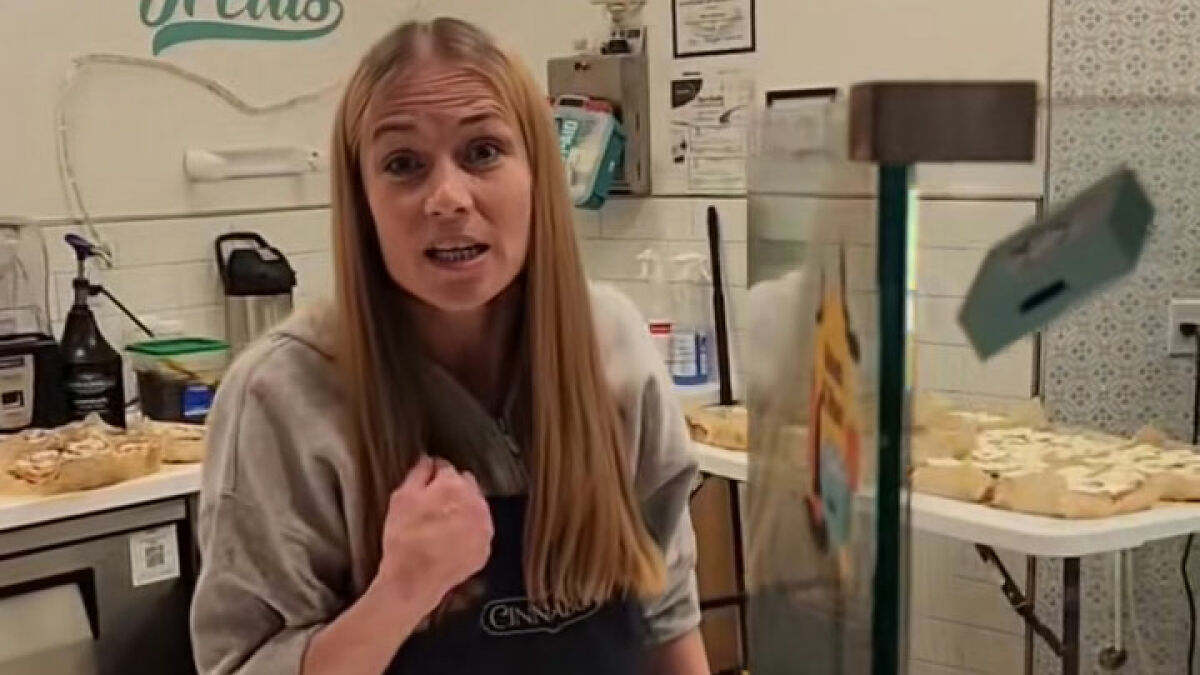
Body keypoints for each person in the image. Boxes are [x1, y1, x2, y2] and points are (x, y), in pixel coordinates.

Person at [190, 17, 710, 675]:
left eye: (482, 151)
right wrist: (400, 593)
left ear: (538, 171)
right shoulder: (282, 397)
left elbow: (669, 614)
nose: (447, 198)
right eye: (403, 164)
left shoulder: (614, 345)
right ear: (362, 200)